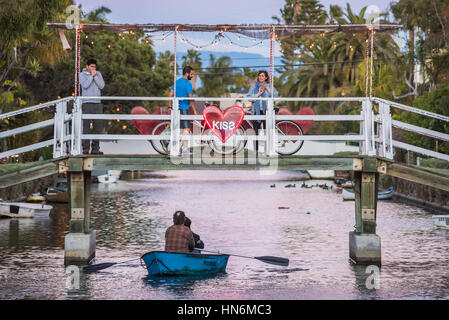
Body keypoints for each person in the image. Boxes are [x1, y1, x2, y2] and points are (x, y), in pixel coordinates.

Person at [168, 66, 199, 155]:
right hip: (184, 109)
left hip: (175, 109)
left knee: (178, 129)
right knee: (187, 128)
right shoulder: (188, 84)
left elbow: (170, 94)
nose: (192, 76)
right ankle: (185, 149)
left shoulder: (176, 82)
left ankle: (175, 147)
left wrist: (170, 106)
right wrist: (195, 110)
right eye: (191, 74)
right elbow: (191, 98)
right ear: (187, 73)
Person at [79, 58, 105, 155]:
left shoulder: (98, 74)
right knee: (86, 126)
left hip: (97, 103)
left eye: (94, 66)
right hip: (87, 103)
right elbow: (85, 85)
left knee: (97, 126)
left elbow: (101, 86)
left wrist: (95, 77)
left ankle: (95, 149)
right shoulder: (81, 75)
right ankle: (85, 149)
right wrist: (91, 76)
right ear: (87, 67)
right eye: (91, 66)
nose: (93, 68)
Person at [247, 70, 279, 150]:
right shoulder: (254, 86)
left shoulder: (269, 85)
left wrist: (268, 89)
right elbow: (249, 98)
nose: (261, 77)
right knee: (256, 132)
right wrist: (258, 93)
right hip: (256, 112)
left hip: (266, 112)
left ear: (266, 77)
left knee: (267, 132)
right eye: (260, 75)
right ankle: (256, 150)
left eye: (263, 76)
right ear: (258, 77)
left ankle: (267, 150)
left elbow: (275, 95)